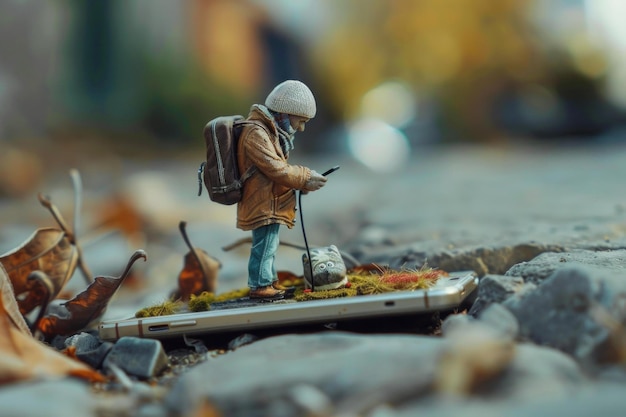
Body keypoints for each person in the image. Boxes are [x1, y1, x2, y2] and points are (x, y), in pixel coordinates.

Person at [237, 80, 327, 299]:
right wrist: (304, 177)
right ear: (285, 114)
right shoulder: (255, 134)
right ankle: (260, 285)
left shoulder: (270, 133)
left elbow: (278, 173)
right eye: (300, 121)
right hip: (261, 201)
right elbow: (276, 168)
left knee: (270, 243)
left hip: (270, 199)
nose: (301, 127)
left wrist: (300, 184)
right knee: (264, 244)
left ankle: (269, 281)